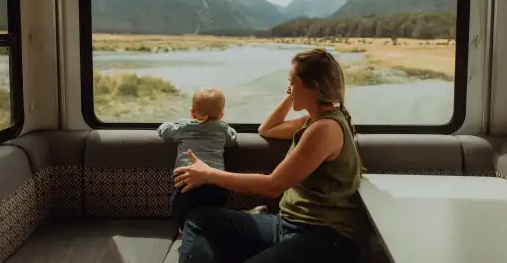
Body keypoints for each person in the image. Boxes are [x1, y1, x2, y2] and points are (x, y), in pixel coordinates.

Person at [173, 48, 368, 262]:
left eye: (292, 83)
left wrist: (209, 174)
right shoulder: (310, 120)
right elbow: (267, 129)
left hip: (324, 237)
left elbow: (272, 186)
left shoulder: (325, 129)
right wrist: (293, 95)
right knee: (199, 219)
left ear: (314, 86)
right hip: (287, 223)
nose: (288, 88)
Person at [157, 87, 238, 231]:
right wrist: (229, 129)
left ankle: (183, 228)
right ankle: (214, 229)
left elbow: (166, 132)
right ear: (221, 114)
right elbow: (232, 140)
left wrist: (165, 125)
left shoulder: (185, 128)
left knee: (180, 206)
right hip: (216, 181)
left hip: (187, 180)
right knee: (215, 210)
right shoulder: (222, 128)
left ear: (192, 112)